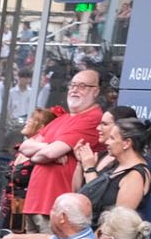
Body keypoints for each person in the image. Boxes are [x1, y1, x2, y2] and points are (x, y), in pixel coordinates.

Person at [18, 70, 102, 227]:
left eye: (82, 86)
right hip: (36, 204)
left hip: (59, 210)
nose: (75, 89)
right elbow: (25, 147)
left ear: (95, 91)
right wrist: (47, 148)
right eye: (73, 85)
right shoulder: (62, 119)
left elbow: (47, 154)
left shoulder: (92, 119)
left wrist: (45, 152)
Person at [72, 112, 151, 219]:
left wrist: (89, 168)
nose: (107, 142)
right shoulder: (115, 166)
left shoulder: (135, 176)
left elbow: (118, 222)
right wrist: (82, 164)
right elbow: (81, 194)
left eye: (112, 138)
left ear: (127, 143)